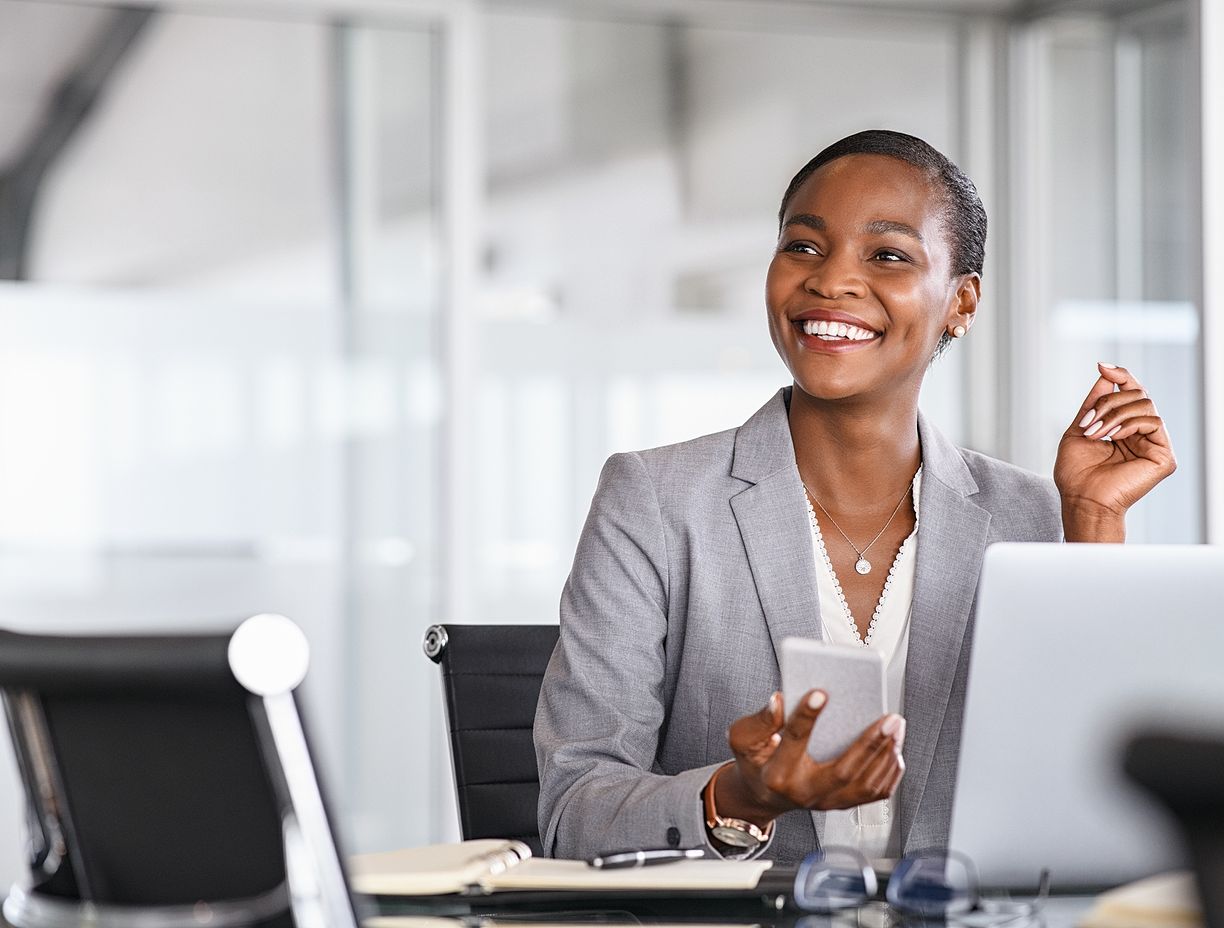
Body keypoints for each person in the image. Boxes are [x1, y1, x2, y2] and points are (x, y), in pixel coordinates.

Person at [533, 130, 1177, 864]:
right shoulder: (654, 501)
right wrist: (740, 798)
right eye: (803, 247)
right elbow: (573, 811)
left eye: (888, 255)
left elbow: (1098, 794)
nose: (831, 280)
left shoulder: (1029, 516)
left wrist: (1091, 523)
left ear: (961, 302)